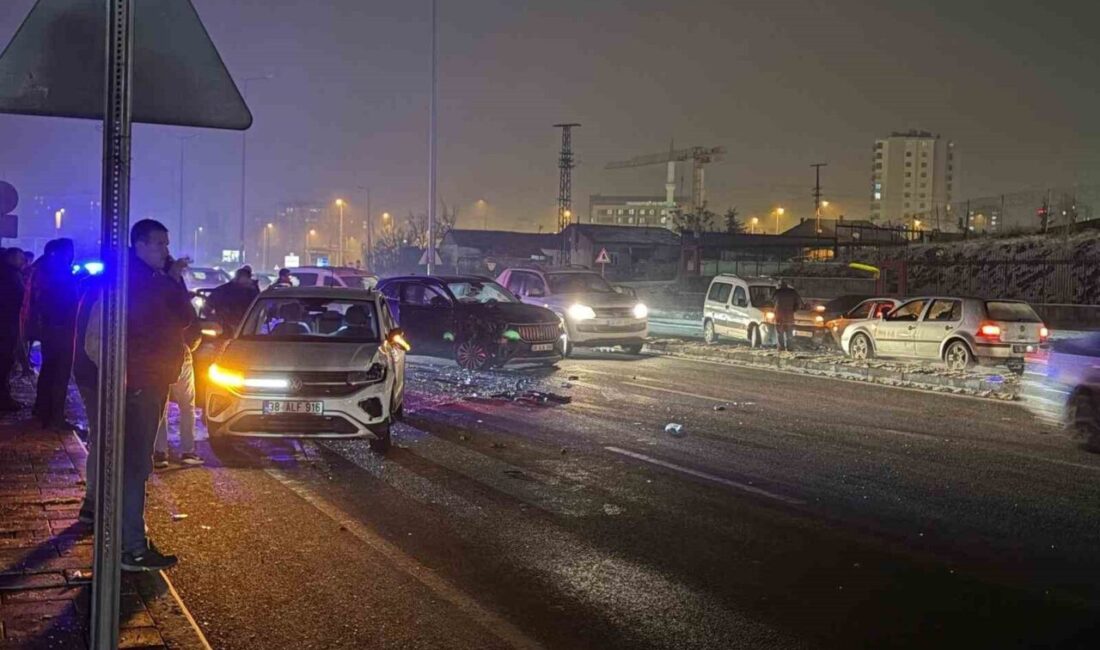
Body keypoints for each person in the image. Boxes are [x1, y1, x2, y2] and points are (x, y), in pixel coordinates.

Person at [82, 219, 194, 571]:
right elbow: (182, 319)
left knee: (134, 463)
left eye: (166, 243)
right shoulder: (132, 282)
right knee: (134, 465)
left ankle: (130, 539)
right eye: (158, 244)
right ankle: (130, 547)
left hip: (151, 381)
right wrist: (128, 379)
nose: (165, 250)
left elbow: (187, 319)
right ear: (139, 245)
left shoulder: (156, 280)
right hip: (139, 384)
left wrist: (174, 281)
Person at [153, 255, 203, 469]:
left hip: (156, 354)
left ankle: (160, 452)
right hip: (178, 352)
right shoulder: (174, 291)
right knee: (186, 404)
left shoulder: (150, 289)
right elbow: (190, 320)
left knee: (159, 405)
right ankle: (187, 451)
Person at [32, 239, 79, 430]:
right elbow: (66, 301)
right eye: (70, 250)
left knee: (49, 370)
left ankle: (43, 410)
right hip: (61, 328)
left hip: (51, 328)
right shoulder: (59, 272)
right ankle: (55, 418)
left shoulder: (44, 269)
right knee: (60, 373)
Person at [0, 248, 26, 411]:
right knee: (4, 363)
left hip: (6, 325)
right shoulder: (10, 276)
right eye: (21, 258)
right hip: (6, 326)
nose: (23, 261)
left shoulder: (8, 274)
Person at [207, 266, 259, 336]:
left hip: (242, 327)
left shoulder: (251, 291)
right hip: (229, 327)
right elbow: (207, 307)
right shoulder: (223, 290)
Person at [773, 280, 802, 352]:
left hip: (779, 316)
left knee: (780, 332)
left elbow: (772, 302)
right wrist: (793, 310)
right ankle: (790, 348)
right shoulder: (793, 292)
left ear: (779, 286)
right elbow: (799, 303)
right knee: (789, 332)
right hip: (789, 316)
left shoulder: (777, 292)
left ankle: (781, 348)